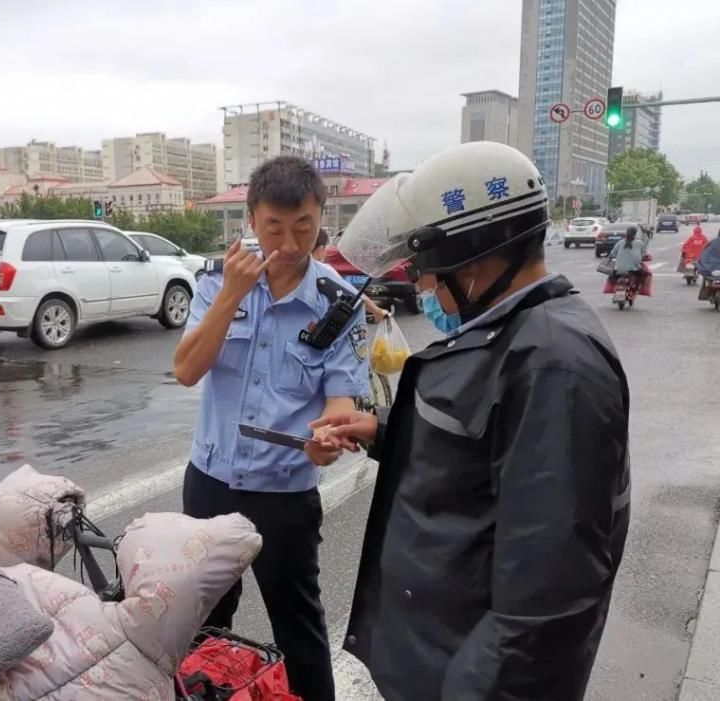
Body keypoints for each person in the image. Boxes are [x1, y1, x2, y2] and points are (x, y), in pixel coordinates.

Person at [311, 142, 631, 701]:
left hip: (473, 677)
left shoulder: (554, 362)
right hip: (440, 657)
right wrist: (386, 430)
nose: (426, 288)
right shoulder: (513, 335)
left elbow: (546, 598)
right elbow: (486, 450)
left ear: (477, 259)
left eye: (429, 271)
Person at [174, 156, 370, 701]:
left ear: (320, 218)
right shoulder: (218, 279)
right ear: (252, 220)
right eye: (274, 227)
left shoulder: (337, 303)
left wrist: (327, 440)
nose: (289, 241)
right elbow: (188, 370)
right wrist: (235, 294)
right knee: (204, 621)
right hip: (210, 482)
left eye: (303, 226)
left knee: (298, 625)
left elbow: (338, 401)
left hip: (284, 492)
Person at [313, 227, 387, 322]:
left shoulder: (292, 269)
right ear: (320, 250)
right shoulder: (322, 270)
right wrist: (377, 311)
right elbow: (353, 294)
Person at [610, 226, 648, 292]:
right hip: (633, 270)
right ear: (635, 234)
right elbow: (644, 254)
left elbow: (612, 254)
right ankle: (636, 288)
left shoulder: (620, 242)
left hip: (618, 269)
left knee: (611, 276)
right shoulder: (639, 243)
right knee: (645, 275)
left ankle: (615, 287)